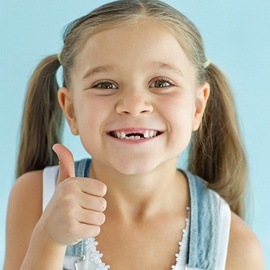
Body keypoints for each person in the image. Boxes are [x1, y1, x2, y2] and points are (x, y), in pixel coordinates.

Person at [4, 0, 264, 269]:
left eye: (161, 83)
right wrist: (49, 239)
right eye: (105, 84)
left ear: (197, 106)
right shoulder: (36, 197)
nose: (133, 104)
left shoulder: (237, 249)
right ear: (71, 110)